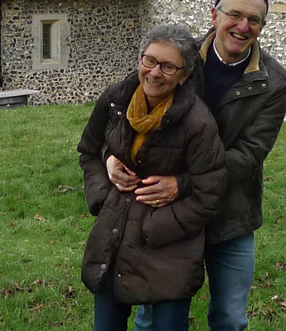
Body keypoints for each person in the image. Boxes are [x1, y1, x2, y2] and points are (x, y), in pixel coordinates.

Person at [116, 0, 286, 331]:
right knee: (153, 316)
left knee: (229, 318)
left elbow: (249, 154)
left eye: (254, 20)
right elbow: (123, 107)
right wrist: (111, 154)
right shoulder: (176, 57)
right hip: (166, 214)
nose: (243, 27)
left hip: (231, 213)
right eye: (235, 15)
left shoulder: (275, 82)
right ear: (215, 15)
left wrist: (182, 183)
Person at [78, 24, 227, 331]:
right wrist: (104, 188)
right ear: (139, 60)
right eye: (150, 60)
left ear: (184, 75)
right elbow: (89, 151)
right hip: (114, 242)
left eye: (168, 66)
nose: (155, 73)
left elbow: (209, 193)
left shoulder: (198, 123)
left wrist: (153, 226)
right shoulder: (115, 101)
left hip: (170, 253)